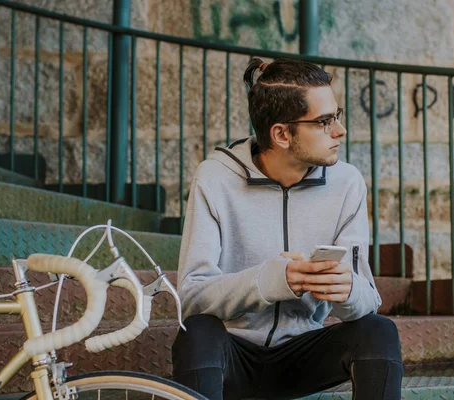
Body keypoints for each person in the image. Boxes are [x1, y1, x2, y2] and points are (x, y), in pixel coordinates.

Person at [171, 58, 403, 400]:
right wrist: (271, 280)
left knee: (379, 331)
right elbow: (191, 297)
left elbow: (367, 298)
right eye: (324, 122)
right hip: (232, 356)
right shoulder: (215, 177)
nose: (340, 131)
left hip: (303, 357)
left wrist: (348, 289)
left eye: (337, 116)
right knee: (197, 332)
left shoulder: (347, 182)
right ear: (281, 134)